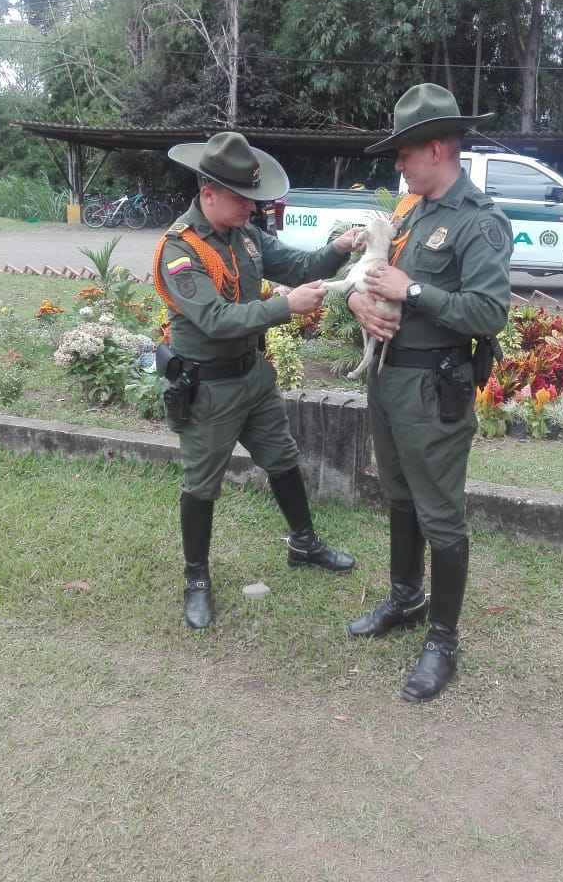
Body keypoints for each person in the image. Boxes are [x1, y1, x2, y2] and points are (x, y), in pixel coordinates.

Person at [346, 83, 513, 702]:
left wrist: (413, 290)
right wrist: (361, 299)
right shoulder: (410, 213)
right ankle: (405, 597)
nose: (398, 165)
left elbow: (489, 312)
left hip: (435, 387)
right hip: (389, 378)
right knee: (399, 494)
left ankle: (442, 639)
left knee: (440, 511)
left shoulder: (479, 221)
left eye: (404, 153)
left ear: (436, 149)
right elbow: (371, 276)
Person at [153, 131, 360, 631]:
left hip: (252, 376)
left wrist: (338, 247)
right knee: (201, 484)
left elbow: (299, 266)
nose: (252, 206)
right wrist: (285, 307)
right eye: (242, 198)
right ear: (208, 193)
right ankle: (196, 578)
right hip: (208, 389)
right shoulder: (179, 250)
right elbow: (215, 319)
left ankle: (304, 543)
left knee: (283, 458)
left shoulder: (246, 235)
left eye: (253, 197)